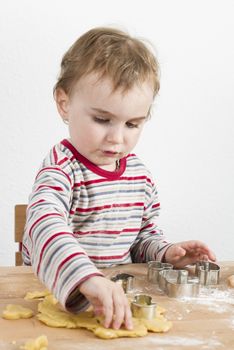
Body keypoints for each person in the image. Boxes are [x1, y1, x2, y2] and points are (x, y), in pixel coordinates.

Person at [22, 27, 216, 331]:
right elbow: (44, 224)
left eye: (132, 124)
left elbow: (140, 238)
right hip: (60, 299)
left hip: (116, 303)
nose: (116, 138)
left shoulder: (139, 176)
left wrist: (165, 252)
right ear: (64, 103)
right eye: (102, 119)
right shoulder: (62, 169)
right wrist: (87, 277)